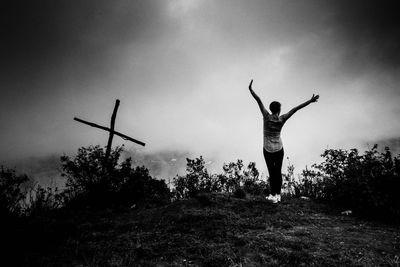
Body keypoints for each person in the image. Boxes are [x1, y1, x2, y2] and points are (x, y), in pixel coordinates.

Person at [248, 79, 319, 203]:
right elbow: (295, 109)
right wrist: (310, 101)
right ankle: (278, 195)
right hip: (279, 149)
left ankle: (273, 194)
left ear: (270, 109)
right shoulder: (282, 119)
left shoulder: (266, 116)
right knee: (278, 172)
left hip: (267, 149)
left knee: (271, 172)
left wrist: (251, 90)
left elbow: (258, 100)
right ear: (279, 110)